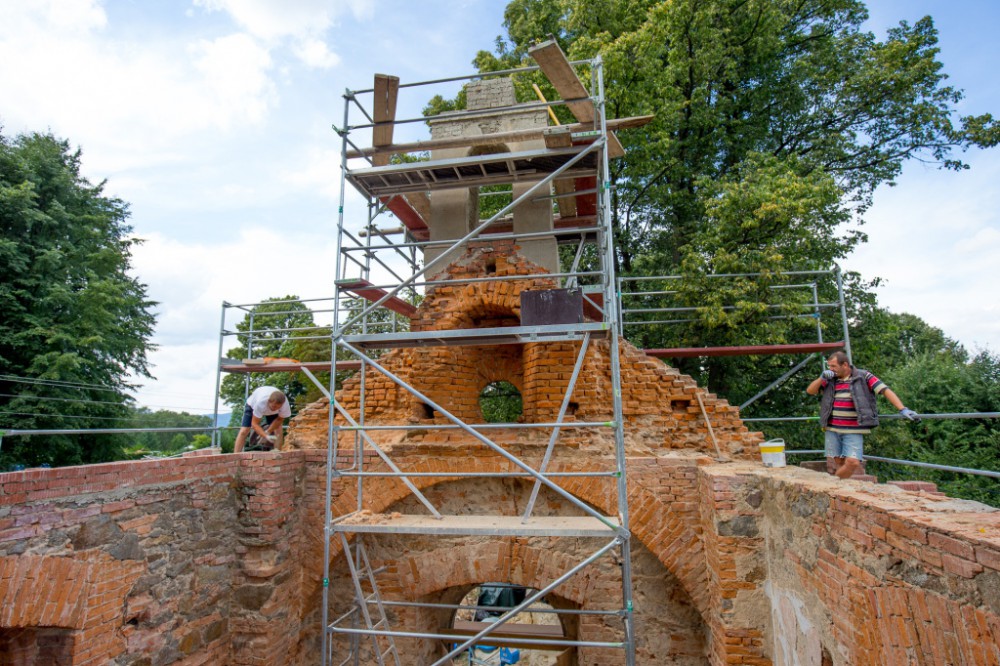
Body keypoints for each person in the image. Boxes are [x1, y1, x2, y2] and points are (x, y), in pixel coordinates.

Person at [806, 351, 920, 479]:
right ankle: (841, 488)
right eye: (829, 367)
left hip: (854, 428)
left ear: (844, 365)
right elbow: (810, 391)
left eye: (833, 366)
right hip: (832, 427)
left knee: (852, 462)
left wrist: (902, 409)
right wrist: (821, 377)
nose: (831, 370)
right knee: (838, 461)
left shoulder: (863, 376)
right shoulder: (830, 379)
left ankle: (835, 483)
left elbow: (885, 390)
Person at [234, 386, 291, 453]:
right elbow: (254, 424)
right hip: (252, 405)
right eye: (274, 406)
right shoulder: (260, 403)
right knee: (245, 430)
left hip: (269, 406)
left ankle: (277, 452)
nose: (275, 409)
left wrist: (268, 431)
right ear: (269, 401)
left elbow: (280, 419)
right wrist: (265, 435)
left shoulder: (285, 404)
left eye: (278, 407)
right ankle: (236, 455)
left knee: (278, 428)